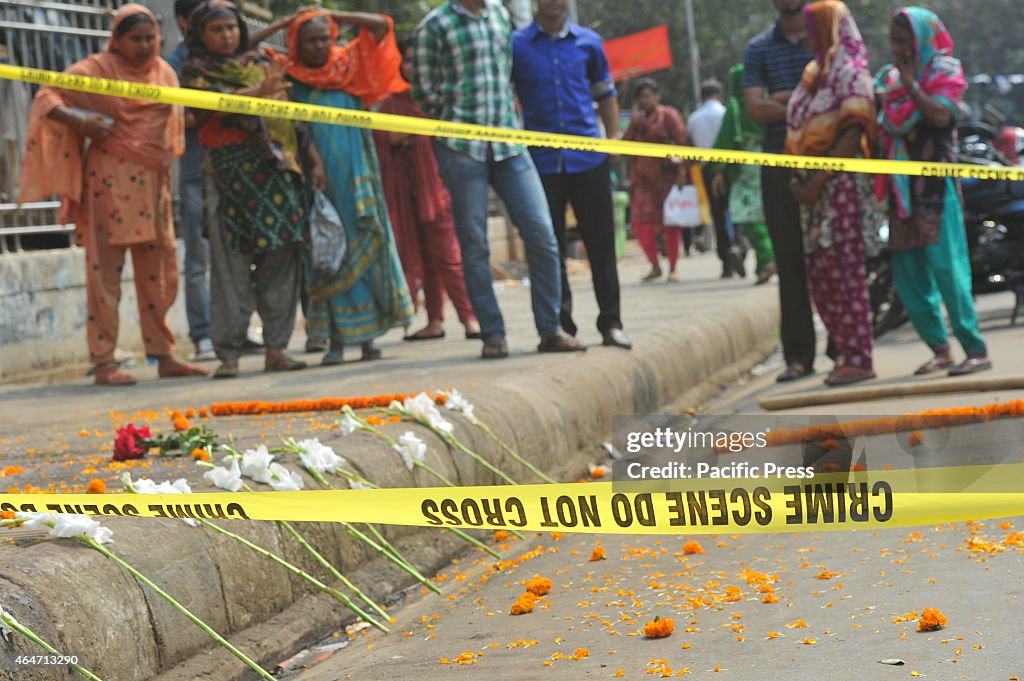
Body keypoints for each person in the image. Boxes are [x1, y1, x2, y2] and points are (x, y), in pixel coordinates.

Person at [19, 4, 207, 386]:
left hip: (155, 187)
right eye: (135, 38)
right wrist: (80, 119)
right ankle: (103, 360)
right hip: (108, 184)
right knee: (105, 274)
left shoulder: (165, 73)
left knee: (158, 274)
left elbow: (176, 124)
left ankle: (164, 354)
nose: (144, 45)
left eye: (150, 38)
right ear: (117, 41)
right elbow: (47, 96)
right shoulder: (96, 71)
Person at [412, 0, 584, 359]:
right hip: (462, 146)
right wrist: (456, 106)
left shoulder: (500, 15)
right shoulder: (435, 25)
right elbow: (423, 91)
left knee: (543, 235)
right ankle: (492, 332)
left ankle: (550, 328)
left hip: (509, 141)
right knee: (474, 244)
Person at [259, 8, 414, 365]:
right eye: (310, 39)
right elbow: (247, 47)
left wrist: (331, 12)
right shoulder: (289, 76)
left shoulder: (349, 65)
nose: (319, 46)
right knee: (328, 253)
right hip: (320, 179)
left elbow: (381, 25)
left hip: (358, 173)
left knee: (366, 241)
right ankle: (336, 343)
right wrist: (284, 23)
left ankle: (370, 338)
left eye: (325, 38)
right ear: (296, 42)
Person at [180, 0, 309, 378]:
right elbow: (210, 109)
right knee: (228, 264)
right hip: (227, 176)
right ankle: (229, 354)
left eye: (232, 28)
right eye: (217, 29)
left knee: (281, 259)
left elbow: (287, 112)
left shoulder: (260, 62)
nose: (227, 36)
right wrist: (260, 92)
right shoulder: (195, 69)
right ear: (201, 34)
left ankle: (276, 348)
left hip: (274, 173)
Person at [876, 7, 992, 376]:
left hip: (934, 190)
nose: (896, 48)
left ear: (921, 40)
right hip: (901, 191)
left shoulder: (944, 72)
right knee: (909, 276)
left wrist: (912, 86)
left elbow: (941, 116)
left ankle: (975, 348)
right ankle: (940, 350)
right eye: (892, 41)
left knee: (947, 270)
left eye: (902, 40)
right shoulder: (887, 79)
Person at [510, 0, 632, 350]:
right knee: (549, 246)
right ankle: (560, 327)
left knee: (601, 243)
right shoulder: (516, 45)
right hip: (541, 161)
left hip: (589, 158)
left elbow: (605, 94)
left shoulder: (589, 42)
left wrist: (613, 140)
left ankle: (611, 324)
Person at [786, 0, 879, 386]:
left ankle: (859, 357)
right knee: (821, 274)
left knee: (845, 271)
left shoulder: (851, 74)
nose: (807, 36)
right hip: (813, 192)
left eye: (812, 28)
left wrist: (816, 183)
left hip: (837, 189)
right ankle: (844, 352)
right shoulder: (815, 75)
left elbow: (853, 134)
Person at [373, 40, 481, 343]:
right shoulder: (391, 103)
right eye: (407, 61)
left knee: (448, 258)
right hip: (403, 193)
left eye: (416, 62)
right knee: (422, 258)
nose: (412, 67)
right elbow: (386, 138)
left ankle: (470, 318)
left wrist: (411, 131)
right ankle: (434, 321)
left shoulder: (441, 102)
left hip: (438, 191)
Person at [744, 0, 821, 383]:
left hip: (831, 159)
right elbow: (754, 109)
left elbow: (845, 101)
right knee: (790, 264)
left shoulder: (827, 38)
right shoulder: (759, 48)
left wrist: (782, 99)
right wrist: (812, 102)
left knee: (837, 258)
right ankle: (800, 356)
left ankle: (847, 349)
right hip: (780, 162)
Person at [165, 0, 216, 362]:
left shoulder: (232, 59)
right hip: (195, 172)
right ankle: (203, 336)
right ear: (186, 22)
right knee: (198, 258)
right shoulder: (173, 66)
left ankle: (235, 330)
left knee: (232, 258)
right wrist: (220, 109)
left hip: (230, 171)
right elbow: (173, 120)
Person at [710, 65, 777, 286]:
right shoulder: (768, 103)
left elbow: (725, 140)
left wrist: (718, 170)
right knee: (765, 215)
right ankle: (761, 267)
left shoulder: (736, 107)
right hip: (770, 163)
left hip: (744, 171)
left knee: (745, 215)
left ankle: (769, 257)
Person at [622, 78, 690, 283]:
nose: (643, 101)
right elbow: (625, 145)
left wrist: (681, 172)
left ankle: (673, 268)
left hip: (667, 178)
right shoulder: (637, 121)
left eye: (647, 96)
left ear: (657, 96)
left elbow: (681, 143)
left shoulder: (668, 116)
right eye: (639, 97)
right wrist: (635, 122)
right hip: (642, 180)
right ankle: (654, 265)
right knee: (641, 223)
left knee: (670, 223)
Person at [688, 78, 745, 278]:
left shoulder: (694, 118)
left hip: (707, 168)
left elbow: (692, 146)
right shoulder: (727, 114)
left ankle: (726, 261)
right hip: (730, 166)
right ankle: (738, 245)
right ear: (720, 95)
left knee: (717, 213)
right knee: (736, 210)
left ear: (702, 96)